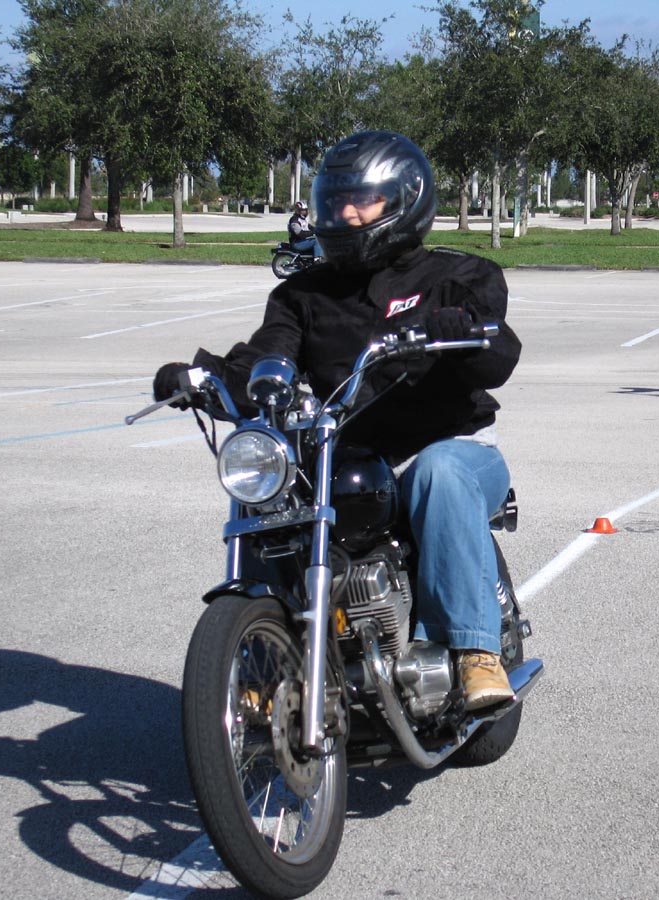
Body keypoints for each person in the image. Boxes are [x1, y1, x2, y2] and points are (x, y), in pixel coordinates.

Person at [153, 131, 521, 711]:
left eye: (362, 201)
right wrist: (202, 378)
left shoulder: (459, 275)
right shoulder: (303, 294)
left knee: (439, 473)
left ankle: (475, 651)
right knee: (275, 489)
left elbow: (498, 357)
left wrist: (463, 334)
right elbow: (265, 361)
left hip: (452, 445)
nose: (346, 213)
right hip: (343, 451)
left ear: (405, 199)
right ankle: (272, 651)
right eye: (337, 200)